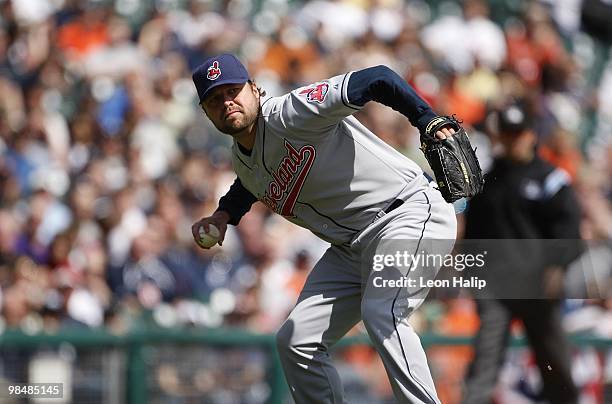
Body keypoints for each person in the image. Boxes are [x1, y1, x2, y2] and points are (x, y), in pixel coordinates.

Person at [190, 54, 458, 403]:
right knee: (297, 341)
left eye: (233, 91)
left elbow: (377, 77)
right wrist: (224, 215)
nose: (227, 102)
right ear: (207, 112)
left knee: (382, 312)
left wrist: (426, 118)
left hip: (406, 213)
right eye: (215, 99)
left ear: (255, 90)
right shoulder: (241, 157)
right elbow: (250, 182)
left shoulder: (292, 111)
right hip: (352, 247)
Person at [462, 102, 582, 404]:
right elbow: (474, 234)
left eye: (519, 133)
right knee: (484, 363)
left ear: (531, 135)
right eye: (508, 134)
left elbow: (568, 228)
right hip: (496, 287)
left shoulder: (550, 179)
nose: (513, 140)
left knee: (555, 363)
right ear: (499, 137)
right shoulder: (488, 182)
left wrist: (557, 266)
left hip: (538, 284)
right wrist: (470, 272)